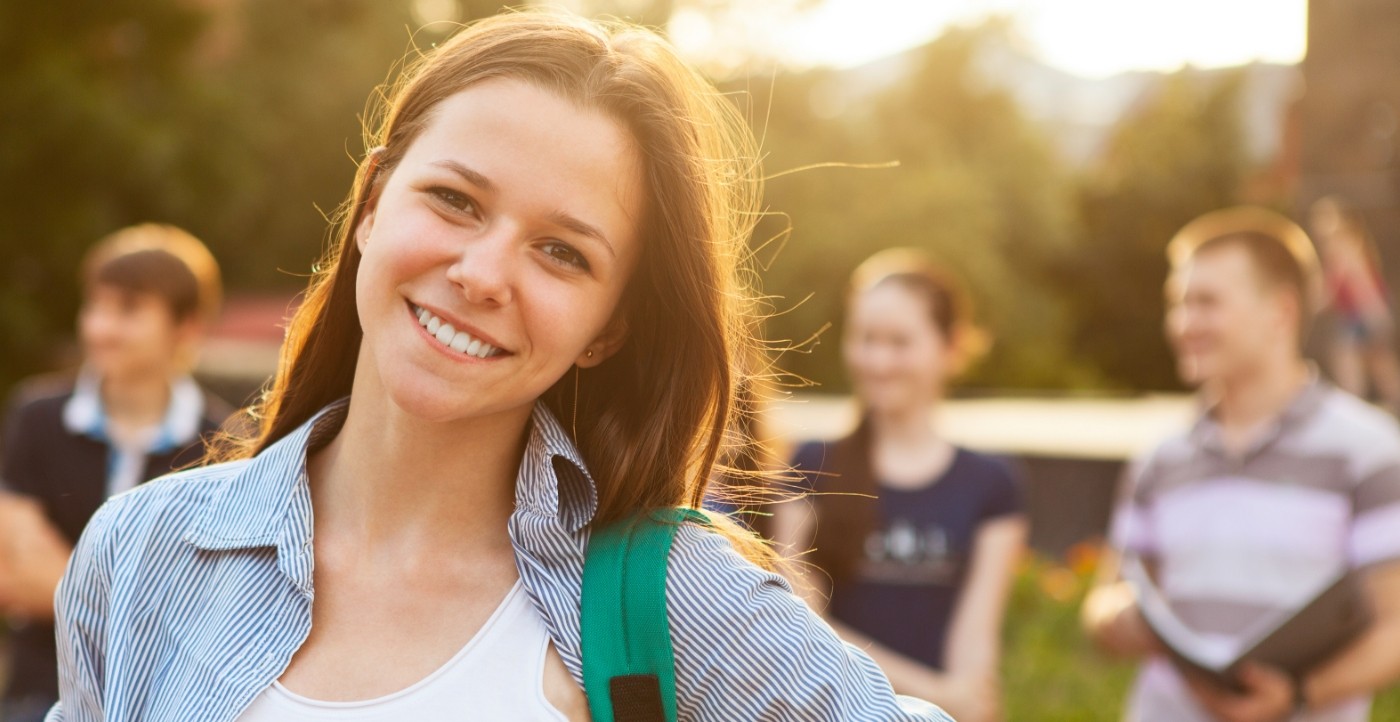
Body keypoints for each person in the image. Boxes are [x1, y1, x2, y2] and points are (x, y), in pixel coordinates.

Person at [45, 12, 952, 721]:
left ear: (607, 328)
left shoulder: (675, 599)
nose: (481, 275)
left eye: (563, 253)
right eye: (453, 199)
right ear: (370, 204)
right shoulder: (142, 553)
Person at [1082, 206, 1400, 722]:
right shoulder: (1161, 455)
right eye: (1178, 304)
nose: (1184, 324)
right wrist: (1116, 618)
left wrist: (1301, 694)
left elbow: (1395, 627)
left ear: (1279, 310)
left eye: (1206, 302)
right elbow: (1105, 600)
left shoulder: (1368, 449)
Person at [773, 248, 1029, 722]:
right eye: (866, 338)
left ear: (950, 349)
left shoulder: (992, 485)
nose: (878, 360)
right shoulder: (811, 465)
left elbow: (975, 646)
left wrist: (962, 701)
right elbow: (803, 625)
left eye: (899, 342)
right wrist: (936, 695)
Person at [0, 223, 230, 722]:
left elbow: (213, 602)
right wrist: (147, 609)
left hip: (166, 701)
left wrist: (63, 590)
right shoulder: (36, 417)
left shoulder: (227, 443)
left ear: (186, 326)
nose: (99, 328)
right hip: (41, 693)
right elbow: (14, 573)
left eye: (127, 310)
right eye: (96, 306)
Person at [1309, 196, 1400, 413]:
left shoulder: (1342, 244)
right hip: (1361, 314)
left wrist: (1375, 314)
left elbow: (1348, 283)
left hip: (1362, 315)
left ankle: (1354, 411)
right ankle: (1364, 408)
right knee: (1380, 368)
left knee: (1352, 365)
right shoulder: (1349, 242)